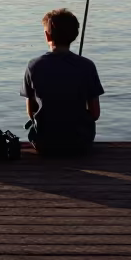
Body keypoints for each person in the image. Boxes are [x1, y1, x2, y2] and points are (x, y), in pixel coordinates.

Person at [21, 8, 104, 156]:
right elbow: (95, 113)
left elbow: (31, 112)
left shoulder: (33, 66)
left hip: (45, 144)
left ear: (47, 36)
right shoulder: (87, 66)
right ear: (74, 36)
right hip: (80, 144)